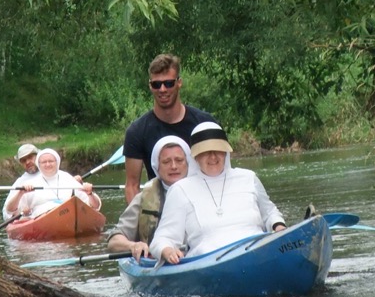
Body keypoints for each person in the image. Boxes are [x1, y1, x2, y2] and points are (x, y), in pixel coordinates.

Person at [149, 122, 286, 264]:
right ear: (195, 156)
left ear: (225, 152)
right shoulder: (180, 190)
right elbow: (162, 239)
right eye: (205, 152)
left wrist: (278, 226)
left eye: (218, 150)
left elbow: (270, 213)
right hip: (210, 264)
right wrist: (167, 250)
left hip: (259, 254)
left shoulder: (248, 177)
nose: (213, 157)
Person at [122, 53, 217, 203]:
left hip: (202, 203)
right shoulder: (136, 132)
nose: (162, 89)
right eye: (156, 84)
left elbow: (220, 172)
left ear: (179, 83)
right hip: (161, 208)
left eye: (168, 83)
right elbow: (132, 186)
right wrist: (139, 217)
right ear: (150, 86)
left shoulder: (204, 123)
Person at [106, 135, 191, 259]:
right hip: (156, 263)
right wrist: (132, 245)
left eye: (179, 160)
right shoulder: (143, 198)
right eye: (166, 162)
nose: (173, 166)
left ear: (188, 163)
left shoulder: (203, 192)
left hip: (195, 257)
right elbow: (114, 241)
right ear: (157, 166)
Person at [10, 148, 102, 219]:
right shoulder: (30, 183)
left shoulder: (67, 178)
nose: (47, 164)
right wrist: (20, 193)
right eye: (44, 162)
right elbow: (11, 210)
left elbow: (95, 206)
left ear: (57, 162)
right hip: (41, 218)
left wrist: (90, 194)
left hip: (69, 215)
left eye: (50, 161)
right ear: (39, 164)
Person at [3, 143, 40, 220]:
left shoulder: (53, 173)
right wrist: (21, 212)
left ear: (38, 156)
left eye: (30, 157)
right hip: (32, 219)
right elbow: (6, 214)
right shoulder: (19, 183)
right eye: (23, 160)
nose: (27, 162)